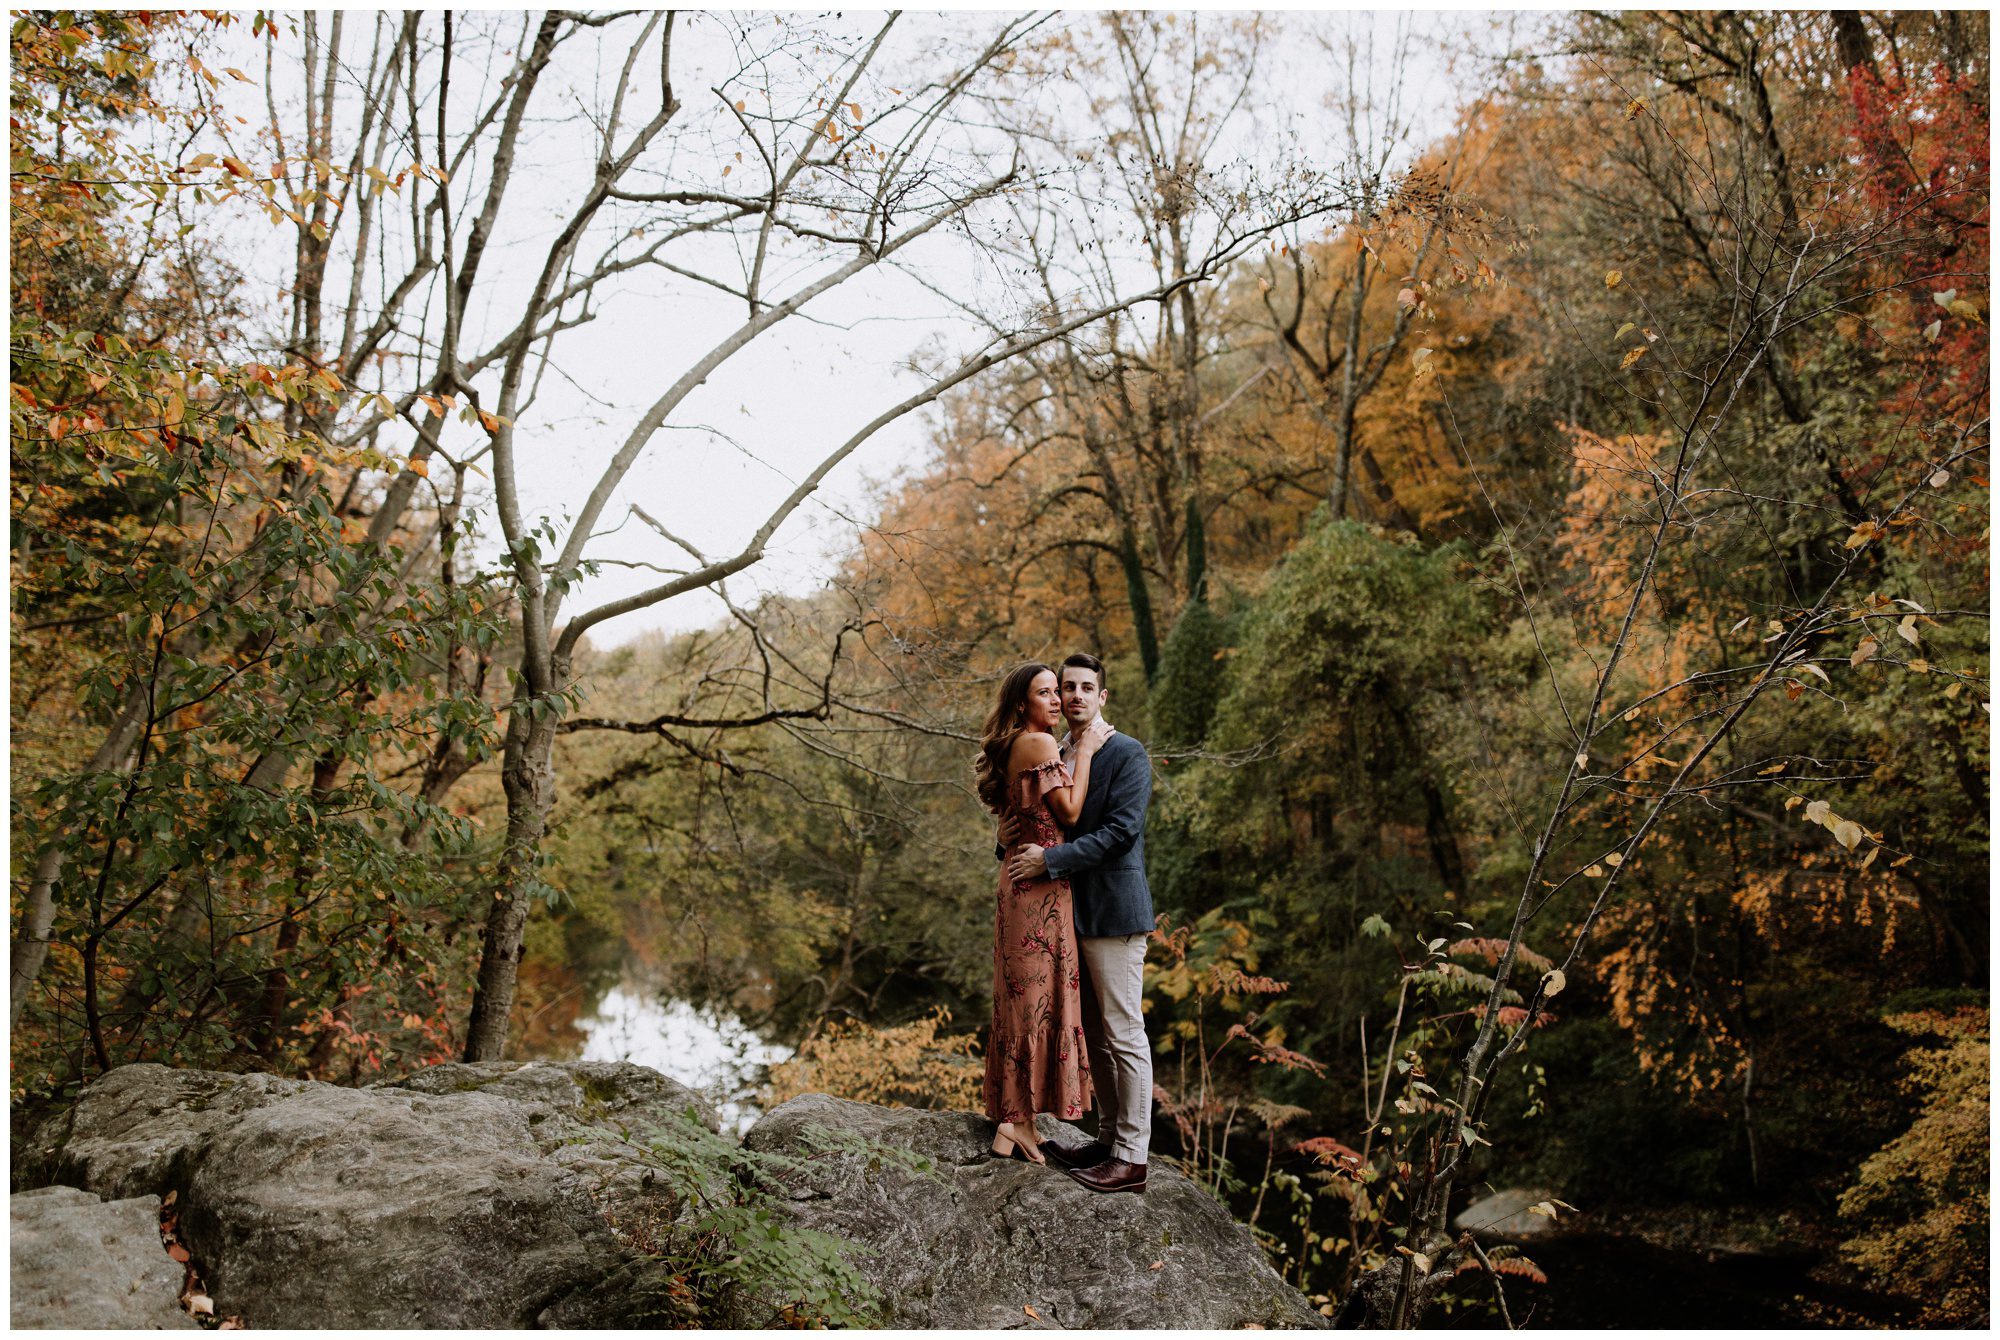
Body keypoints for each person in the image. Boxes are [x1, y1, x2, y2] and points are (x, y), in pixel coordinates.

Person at [1002, 652, 1155, 1195]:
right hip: (1067, 918)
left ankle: (1132, 1159)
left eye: (1087, 688)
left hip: (1114, 913)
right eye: (1066, 687)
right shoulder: (1060, 750)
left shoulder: (1127, 753)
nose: (1075, 696)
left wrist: (1050, 860)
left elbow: (1120, 833)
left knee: (1124, 1033)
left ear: (1103, 696)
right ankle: (1109, 1139)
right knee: (1095, 1035)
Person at [973, 662, 1109, 1162]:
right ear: (1021, 703)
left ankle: (1018, 1119)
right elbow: (1070, 812)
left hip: (1032, 887)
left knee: (1028, 1001)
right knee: (1032, 1003)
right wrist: (1089, 750)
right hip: (1037, 894)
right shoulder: (1040, 744)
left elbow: (1024, 820)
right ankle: (1015, 1121)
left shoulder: (1022, 745)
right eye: (1045, 693)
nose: (1056, 701)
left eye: (1059, 692)